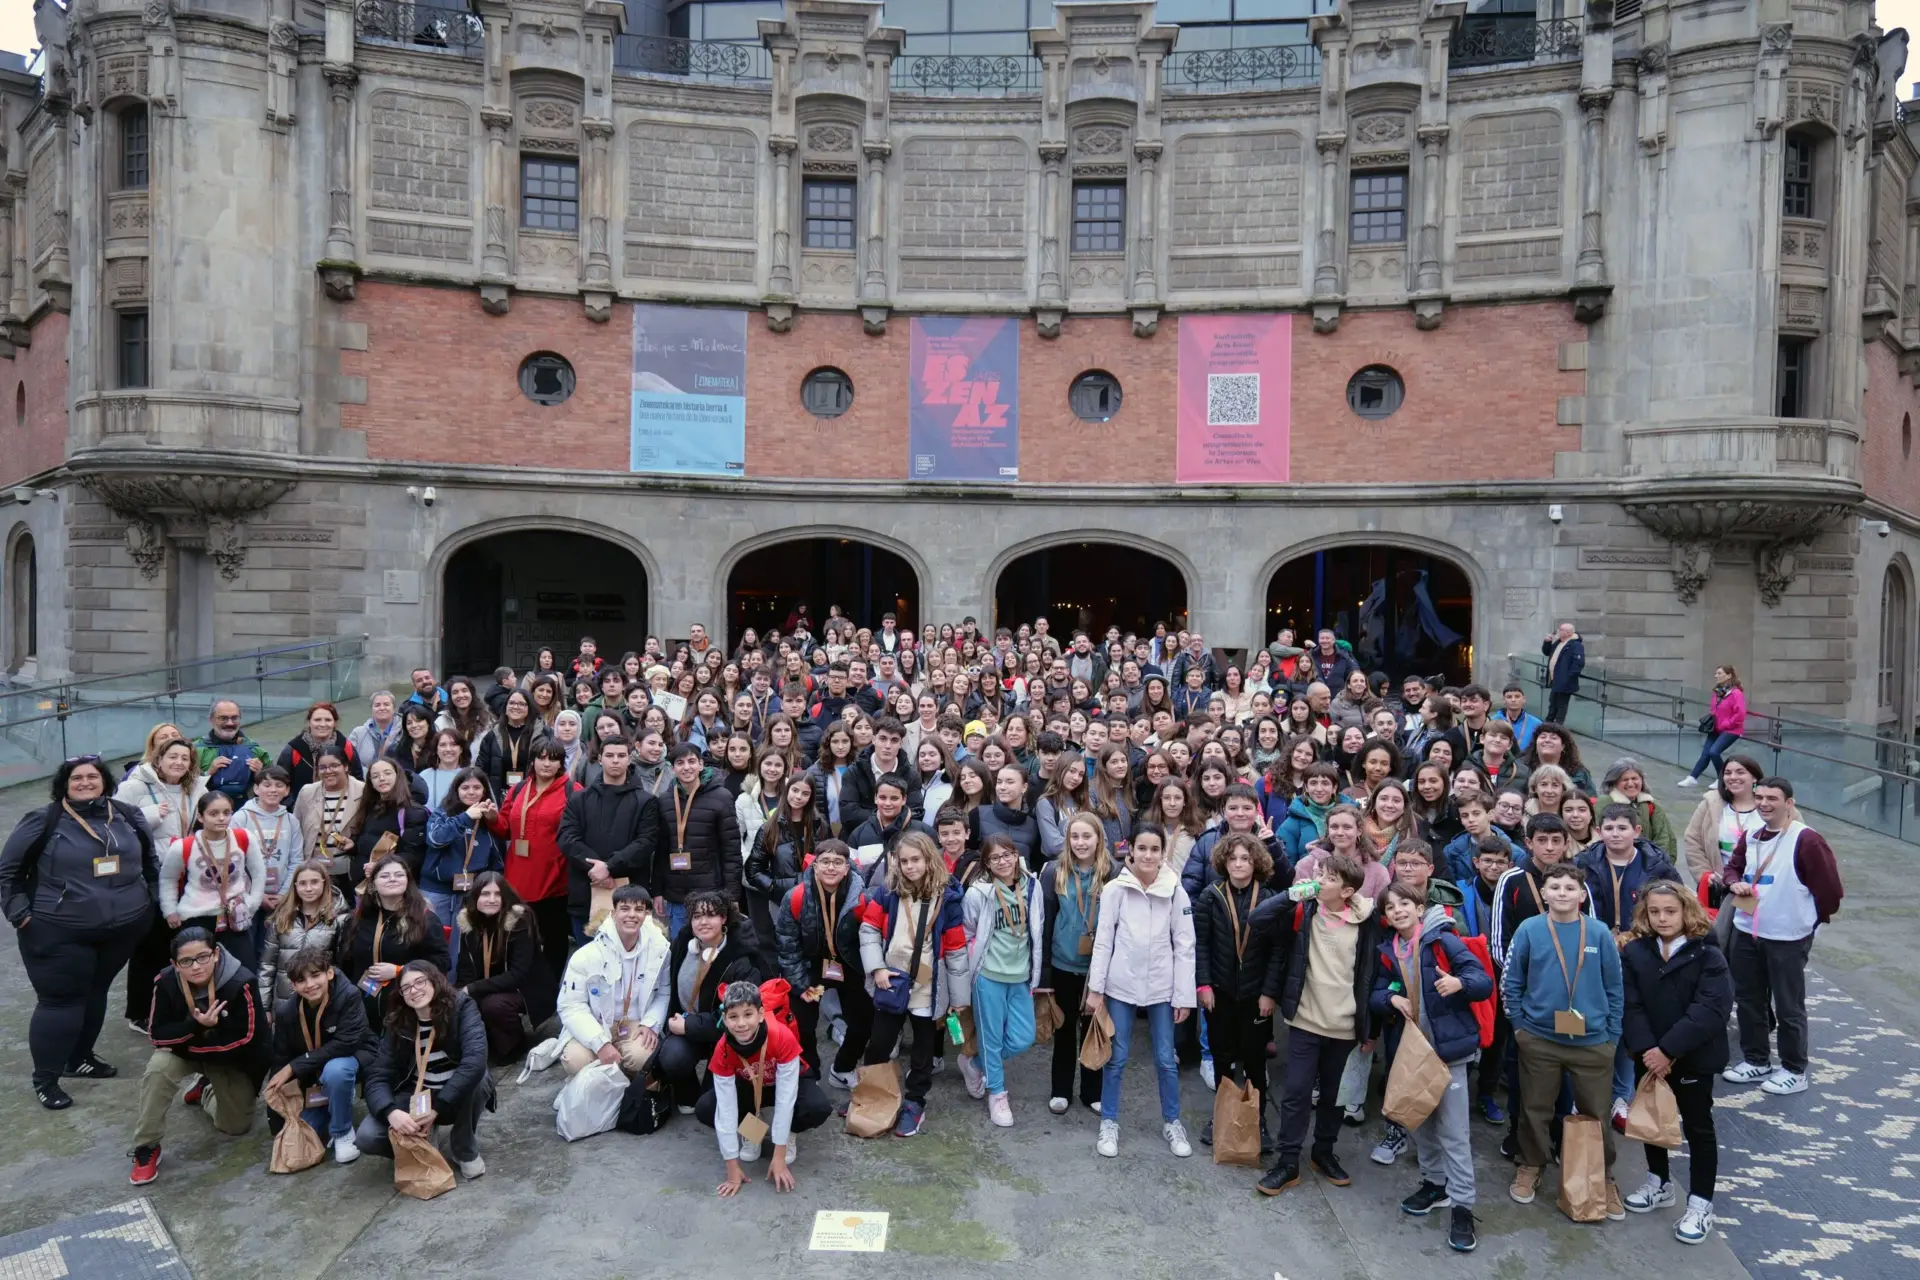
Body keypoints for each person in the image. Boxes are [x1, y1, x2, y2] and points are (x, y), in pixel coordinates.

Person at [3, 756, 160, 1110]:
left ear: (104, 781)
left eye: (93, 776)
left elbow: (151, 862)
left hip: (122, 928)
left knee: (95, 992)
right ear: (65, 784)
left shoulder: (126, 815)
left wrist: (148, 902)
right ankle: (46, 1077)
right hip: (57, 930)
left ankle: (79, 1059)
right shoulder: (44, 820)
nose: (86, 782)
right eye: (77, 777)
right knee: (61, 1003)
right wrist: (20, 915)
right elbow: (8, 872)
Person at [1369, 881, 1493, 1253]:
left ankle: (1462, 1206)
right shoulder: (1390, 949)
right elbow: (1375, 992)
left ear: (1420, 908)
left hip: (1449, 1050)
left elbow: (1482, 981)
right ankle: (1434, 1183)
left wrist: (1459, 982)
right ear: (1386, 917)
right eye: (1391, 908)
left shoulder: (1443, 940)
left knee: (1454, 1132)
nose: (1398, 911)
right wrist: (1391, 997)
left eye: (1405, 903)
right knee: (1419, 1122)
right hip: (1414, 1051)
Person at [1501, 863, 1625, 1217]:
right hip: (1539, 1037)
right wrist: (1521, 1029)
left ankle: (1602, 1175)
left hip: (1593, 1041)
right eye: (1554, 887)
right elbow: (1511, 982)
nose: (1562, 894)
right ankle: (1531, 1164)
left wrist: (1612, 1034)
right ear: (1543, 893)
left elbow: (1615, 987)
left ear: (1582, 895)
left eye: (1570, 888)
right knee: (1535, 1108)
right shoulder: (1529, 929)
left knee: (1596, 1112)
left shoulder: (1599, 933)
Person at [1255, 851, 1380, 1196]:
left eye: (1328, 878)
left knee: (1334, 1096)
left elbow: (1373, 971)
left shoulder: (1366, 918)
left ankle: (1323, 1152)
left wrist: (1371, 1027)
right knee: (1296, 1092)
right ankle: (1288, 1161)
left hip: (1345, 1024)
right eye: (1319, 875)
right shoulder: (1305, 909)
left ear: (1347, 891)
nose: (1319, 881)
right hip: (1307, 1019)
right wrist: (1292, 894)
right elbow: (1257, 920)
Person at [1620, 882, 1734, 1245]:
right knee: (1652, 1118)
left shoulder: (1708, 955)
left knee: (1699, 1129)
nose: (1663, 918)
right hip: (1648, 1056)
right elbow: (1630, 1004)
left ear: (1686, 911)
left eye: (1670, 911)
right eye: (1655, 912)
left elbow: (1710, 1009)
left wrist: (1667, 1051)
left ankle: (1701, 1203)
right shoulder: (1635, 952)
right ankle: (1659, 1181)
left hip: (1692, 1058)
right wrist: (1647, 1049)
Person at [1717, 776, 1843, 1098]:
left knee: (1788, 1006)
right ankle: (1757, 1059)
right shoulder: (1753, 836)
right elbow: (1732, 868)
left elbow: (1830, 891)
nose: (1764, 804)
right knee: (1748, 1000)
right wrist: (1734, 884)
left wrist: (1808, 922)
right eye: (1760, 798)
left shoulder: (1807, 840)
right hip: (1747, 931)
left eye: (1772, 798)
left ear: (1790, 803)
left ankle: (1794, 1069)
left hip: (1787, 938)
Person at [1086, 824, 1197, 1159]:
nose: (1148, 855)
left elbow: (1185, 945)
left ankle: (1172, 1121)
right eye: (1142, 848)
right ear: (1130, 849)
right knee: (1116, 1058)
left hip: (1163, 990)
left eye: (1155, 849)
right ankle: (1109, 1121)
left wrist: (1183, 997)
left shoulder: (1176, 891)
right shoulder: (1115, 890)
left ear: (1163, 852)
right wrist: (1096, 989)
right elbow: (1103, 940)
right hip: (1121, 987)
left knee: (1166, 1060)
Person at [130, 927, 268, 1184]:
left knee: (236, 1127)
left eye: (203, 957)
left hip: (230, 1058)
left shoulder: (241, 981)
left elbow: (249, 1039)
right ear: (175, 964)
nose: (196, 966)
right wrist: (197, 1026)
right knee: (159, 1067)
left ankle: (206, 1090)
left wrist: (190, 1044)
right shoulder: (165, 981)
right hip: (190, 1050)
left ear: (216, 954)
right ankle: (146, 1147)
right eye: (186, 961)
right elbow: (157, 1034)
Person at [856, 832, 968, 1138]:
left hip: (929, 987)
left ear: (929, 858)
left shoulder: (949, 897)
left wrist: (958, 998)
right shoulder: (888, 892)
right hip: (892, 980)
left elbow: (956, 950)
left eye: (915, 860)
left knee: (923, 1049)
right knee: (879, 1042)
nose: (909, 866)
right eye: (903, 861)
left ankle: (915, 1102)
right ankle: (872, 1093)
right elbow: (868, 929)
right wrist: (877, 968)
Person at [353, 960, 491, 1180]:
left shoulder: (462, 1007)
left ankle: (463, 1146)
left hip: (453, 1095)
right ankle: (421, 1144)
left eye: (420, 982)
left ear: (435, 981)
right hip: (417, 1095)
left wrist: (437, 1107)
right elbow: (378, 1074)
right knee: (367, 1137)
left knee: (480, 1078)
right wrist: (390, 1112)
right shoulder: (398, 1021)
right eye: (406, 987)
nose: (414, 990)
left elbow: (475, 1060)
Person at [704, 980, 833, 1195]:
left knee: (817, 1106)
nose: (741, 1024)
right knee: (708, 1107)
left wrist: (779, 1155)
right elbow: (725, 1110)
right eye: (733, 1017)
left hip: (784, 1082)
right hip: (752, 1086)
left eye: (748, 1014)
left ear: (761, 1014)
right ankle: (753, 1130)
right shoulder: (723, 1050)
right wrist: (732, 1169)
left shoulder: (781, 1035)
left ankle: (789, 1131)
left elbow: (786, 1097)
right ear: (725, 1020)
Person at [954, 834, 1045, 1126]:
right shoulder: (978, 893)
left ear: (1015, 855)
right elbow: (967, 932)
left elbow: (1037, 929)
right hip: (988, 976)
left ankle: (974, 1063)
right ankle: (997, 1093)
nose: (1002, 862)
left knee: (1023, 1037)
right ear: (987, 864)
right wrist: (969, 972)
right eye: (995, 858)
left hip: (1021, 975)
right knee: (991, 1039)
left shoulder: (1033, 885)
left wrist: (1036, 973)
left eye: (1007, 855)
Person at [1194, 831, 1277, 1152]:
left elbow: (1277, 951)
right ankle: (1223, 1113)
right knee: (1222, 1057)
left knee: (1255, 1061)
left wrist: (1269, 993)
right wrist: (1204, 985)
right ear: (1223, 862)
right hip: (1220, 993)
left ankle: (1258, 1118)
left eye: (1245, 858)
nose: (1239, 864)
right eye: (1233, 858)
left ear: (1255, 862)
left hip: (1257, 997)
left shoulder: (1270, 897)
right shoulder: (1210, 896)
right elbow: (1201, 944)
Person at [266, 946, 377, 1165]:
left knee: (336, 1070)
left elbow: (345, 1044)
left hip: (356, 1058)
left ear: (329, 973)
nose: (310, 985)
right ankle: (331, 1107)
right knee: (307, 1137)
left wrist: (294, 1066)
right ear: (292, 985)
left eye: (315, 975)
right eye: (301, 980)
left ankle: (342, 1132)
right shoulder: (287, 1013)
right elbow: (280, 1059)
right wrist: (277, 1122)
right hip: (313, 1078)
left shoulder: (348, 995)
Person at [658, 891, 764, 1112]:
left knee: (711, 1106)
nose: (703, 922)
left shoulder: (742, 958)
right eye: (697, 916)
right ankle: (688, 1093)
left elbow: (740, 1015)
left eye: (711, 915)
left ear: (724, 918)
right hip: (686, 1026)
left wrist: (689, 1025)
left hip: (727, 1035)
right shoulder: (683, 942)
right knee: (672, 1057)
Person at [1038, 813, 1115, 1116]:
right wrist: (1043, 972)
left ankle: (1091, 1090)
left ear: (1099, 839)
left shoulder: (1113, 873)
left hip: (1097, 967)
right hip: (1063, 962)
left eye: (1087, 837)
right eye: (1075, 837)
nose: (1081, 843)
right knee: (1064, 1027)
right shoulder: (1054, 872)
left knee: (1094, 1028)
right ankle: (1060, 1089)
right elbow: (1044, 923)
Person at [773, 839, 869, 1084]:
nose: (831, 868)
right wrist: (799, 983)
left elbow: (872, 938)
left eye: (838, 862)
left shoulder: (862, 897)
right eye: (825, 861)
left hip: (848, 966)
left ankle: (842, 1068)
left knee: (862, 1023)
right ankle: (810, 1071)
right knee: (803, 1023)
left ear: (848, 867)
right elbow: (787, 944)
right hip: (813, 970)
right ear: (814, 865)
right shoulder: (795, 897)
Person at [556, 883, 670, 1077]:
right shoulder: (587, 955)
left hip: (634, 1021)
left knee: (643, 1056)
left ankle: (631, 1091)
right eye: (624, 908)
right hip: (595, 1022)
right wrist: (600, 1043)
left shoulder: (660, 951)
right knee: (576, 1060)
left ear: (647, 915)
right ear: (613, 913)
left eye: (639, 909)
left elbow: (664, 992)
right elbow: (570, 1006)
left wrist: (650, 1023)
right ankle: (586, 1090)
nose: (632, 915)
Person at [557, 736, 661, 944]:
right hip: (585, 891)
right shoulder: (579, 799)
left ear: (629, 759)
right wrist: (596, 868)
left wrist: (610, 866)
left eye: (621, 756)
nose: (615, 760)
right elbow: (567, 837)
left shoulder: (646, 801)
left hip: (630, 896)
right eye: (610, 755)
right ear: (600, 759)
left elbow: (646, 842)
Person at [335, 856, 452, 1026]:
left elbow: (442, 962)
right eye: (384, 876)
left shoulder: (426, 919)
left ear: (407, 881)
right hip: (361, 1006)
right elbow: (345, 962)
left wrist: (400, 970)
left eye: (399, 875)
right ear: (373, 884)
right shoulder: (357, 919)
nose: (392, 879)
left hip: (406, 1005)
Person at [160, 791, 266, 972]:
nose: (221, 818)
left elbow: (258, 873)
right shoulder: (184, 846)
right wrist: (170, 910)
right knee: (201, 972)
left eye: (227, 812)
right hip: (196, 918)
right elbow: (168, 878)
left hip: (235, 916)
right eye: (213, 813)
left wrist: (252, 903)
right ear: (200, 816)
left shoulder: (244, 838)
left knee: (244, 971)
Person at [457, 872, 557, 1062]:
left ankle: (515, 1046)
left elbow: (517, 975)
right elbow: (465, 969)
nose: (492, 899)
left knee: (493, 1005)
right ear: (476, 897)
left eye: (498, 894)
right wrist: (459, 994)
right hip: (491, 984)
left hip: (527, 988)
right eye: (485, 894)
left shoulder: (519, 922)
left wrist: (473, 988)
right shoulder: (469, 925)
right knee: (457, 1002)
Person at [498, 742, 576, 982]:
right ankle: (522, 989)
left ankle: (551, 991)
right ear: (532, 760)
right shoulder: (519, 788)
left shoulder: (572, 790)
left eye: (553, 759)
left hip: (554, 881)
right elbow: (504, 828)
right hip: (518, 878)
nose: (546, 763)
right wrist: (491, 816)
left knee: (554, 940)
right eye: (541, 758)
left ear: (561, 763)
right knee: (520, 939)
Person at [423, 768, 505, 957]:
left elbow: (496, 859)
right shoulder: (442, 814)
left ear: (485, 791)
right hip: (437, 890)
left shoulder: (488, 819)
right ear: (456, 790)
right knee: (435, 943)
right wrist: (466, 817)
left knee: (462, 948)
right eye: (465, 787)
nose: (471, 792)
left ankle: (457, 985)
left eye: (477, 787)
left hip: (470, 892)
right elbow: (435, 839)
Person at [257, 857, 351, 1007]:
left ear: (324, 883)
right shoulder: (282, 917)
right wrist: (265, 1007)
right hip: (284, 1002)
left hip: (322, 1001)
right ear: (295, 886)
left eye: (314, 882)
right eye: (302, 883)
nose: (308, 888)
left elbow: (342, 967)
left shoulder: (339, 919)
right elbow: (267, 965)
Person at [234, 765, 303, 952]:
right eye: (267, 785)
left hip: (281, 897)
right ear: (256, 789)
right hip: (247, 896)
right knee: (248, 948)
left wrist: (283, 894)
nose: (273, 790)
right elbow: (234, 863)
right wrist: (257, 895)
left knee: (274, 949)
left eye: (279, 785)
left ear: (287, 790)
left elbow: (296, 860)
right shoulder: (241, 818)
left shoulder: (291, 820)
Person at [1679, 753, 1766, 883]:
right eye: (1728, 773)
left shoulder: (1773, 804)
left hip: (1765, 887)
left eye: (1740, 772)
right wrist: (1705, 875)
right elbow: (1692, 840)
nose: (1733, 777)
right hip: (1721, 886)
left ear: (1754, 777)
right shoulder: (1710, 804)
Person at [293, 747, 364, 895]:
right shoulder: (307, 793)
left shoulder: (363, 792)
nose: (328, 771)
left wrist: (354, 845)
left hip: (350, 871)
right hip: (314, 871)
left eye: (334, 765)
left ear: (345, 767)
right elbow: (296, 831)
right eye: (322, 767)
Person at [350, 758, 427, 887]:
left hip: (394, 884)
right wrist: (351, 846)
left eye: (387, 773)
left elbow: (414, 856)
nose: (381, 778)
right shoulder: (369, 806)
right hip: (364, 883)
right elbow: (365, 845)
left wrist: (381, 866)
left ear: (398, 776)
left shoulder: (412, 811)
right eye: (375, 776)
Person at [1677, 666, 1748, 789]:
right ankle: (1692, 777)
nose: (1716, 676)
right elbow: (1714, 709)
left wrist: (1727, 724)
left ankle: (1722, 779)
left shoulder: (1736, 693)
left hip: (1731, 730)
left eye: (1719, 673)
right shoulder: (1718, 691)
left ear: (1729, 675)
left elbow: (1740, 714)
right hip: (1716, 728)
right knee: (1705, 754)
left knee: (1714, 752)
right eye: (1716, 673)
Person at [194, 699, 270, 804]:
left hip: (246, 810)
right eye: (223, 718)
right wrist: (208, 773)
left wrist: (261, 774)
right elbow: (183, 785)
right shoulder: (195, 750)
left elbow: (275, 783)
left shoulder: (254, 749)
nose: (230, 723)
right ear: (211, 719)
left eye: (235, 718)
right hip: (206, 810)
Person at [276, 702, 361, 796]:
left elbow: (358, 780)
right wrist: (294, 806)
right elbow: (280, 782)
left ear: (335, 723)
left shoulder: (346, 748)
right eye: (317, 720)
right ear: (309, 722)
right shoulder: (293, 750)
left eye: (328, 720)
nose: (323, 724)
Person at [1602, 757, 1677, 861]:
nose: (1631, 784)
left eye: (1634, 778)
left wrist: (1657, 865)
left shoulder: (1651, 806)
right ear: (1614, 782)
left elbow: (1665, 839)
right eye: (1625, 780)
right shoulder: (1604, 804)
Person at [348, 691, 404, 772]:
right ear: (372, 709)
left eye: (386, 704)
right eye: (377, 705)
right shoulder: (357, 733)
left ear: (394, 708)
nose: (382, 708)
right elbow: (349, 760)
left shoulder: (405, 730)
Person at [1542, 623, 1585, 724]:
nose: (1558, 631)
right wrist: (1547, 642)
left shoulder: (1576, 645)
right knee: (1552, 703)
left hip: (1565, 681)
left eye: (1561, 630)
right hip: (1555, 679)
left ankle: (1558, 726)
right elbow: (1547, 652)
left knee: (1561, 704)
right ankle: (1549, 723)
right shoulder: (1559, 642)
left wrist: (1568, 678)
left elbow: (1578, 663)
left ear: (1568, 633)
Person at [1493, 683, 1543, 754]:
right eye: (1509, 697)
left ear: (1524, 699)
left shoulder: (1537, 723)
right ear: (1504, 700)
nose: (1513, 700)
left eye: (1517, 696)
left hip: (1526, 762)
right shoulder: (1494, 721)